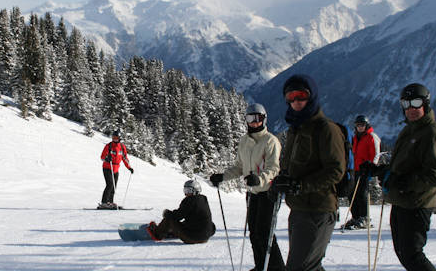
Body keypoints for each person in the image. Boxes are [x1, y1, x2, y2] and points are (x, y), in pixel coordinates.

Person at [364, 83, 436, 271]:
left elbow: (433, 175)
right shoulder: (409, 130)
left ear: (425, 104)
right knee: (403, 253)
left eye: (416, 103)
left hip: (417, 204)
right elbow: (402, 166)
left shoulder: (431, 132)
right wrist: (380, 170)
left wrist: (403, 182)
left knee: (412, 255)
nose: (411, 108)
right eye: (406, 103)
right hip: (402, 201)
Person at [270, 74, 345, 271]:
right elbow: (292, 167)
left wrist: (300, 185)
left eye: (301, 95)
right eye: (290, 97)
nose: (296, 102)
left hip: (318, 210)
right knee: (309, 266)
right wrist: (281, 181)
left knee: (299, 267)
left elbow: (335, 170)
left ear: (312, 96)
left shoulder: (326, 129)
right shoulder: (295, 129)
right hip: (299, 210)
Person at [209, 103, 285, 271]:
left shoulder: (270, 141)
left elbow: (274, 169)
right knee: (254, 234)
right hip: (252, 194)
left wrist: (259, 179)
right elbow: (239, 167)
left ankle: (276, 268)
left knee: (265, 234)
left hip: (269, 193)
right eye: (250, 118)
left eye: (257, 118)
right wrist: (223, 176)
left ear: (264, 119)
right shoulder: (244, 141)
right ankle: (261, 266)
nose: (253, 122)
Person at [342, 115, 381, 230]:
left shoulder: (371, 137)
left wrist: (371, 167)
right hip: (355, 169)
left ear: (366, 125)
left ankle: (364, 217)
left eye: (362, 125)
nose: (360, 127)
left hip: (365, 170)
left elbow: (376, 153)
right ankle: (356, 216)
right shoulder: (355, 138)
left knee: (361, 193)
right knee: (351, 192)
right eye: (358, 125)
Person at [146, 180, 216, 244]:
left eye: (189, 191)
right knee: (202, 221)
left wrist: (167, 213)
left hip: (192, 238)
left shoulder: (189, 200)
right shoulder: (203, 199)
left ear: (195, 191)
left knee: (170, 219)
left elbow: (178, 216)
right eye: (185, 190)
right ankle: (173, 232)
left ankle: (157, 234)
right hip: (205, 237)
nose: (186, 193)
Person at [98, 130, 133, 209]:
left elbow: (124, 158)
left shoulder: (122, 147)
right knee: (109, 184)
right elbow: (102, 157)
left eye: (116, 138)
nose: (114, 139)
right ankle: (104, 202)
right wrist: (107, 158)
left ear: (120, 138)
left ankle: (110, 202)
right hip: (107, 168)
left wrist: (129, 167)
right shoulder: (109, 146)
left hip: (116, 169)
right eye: (113, 137)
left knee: (113, 186)